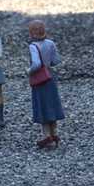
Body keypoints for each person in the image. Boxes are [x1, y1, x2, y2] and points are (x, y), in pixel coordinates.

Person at [26, 19, 65, 149]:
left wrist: (29, 71)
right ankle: (55, 134)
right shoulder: (50, 43)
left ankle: (46, 136)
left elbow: (36, 64)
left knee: (43, 107)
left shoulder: (33, 46)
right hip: (50, 78)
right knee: (52, 106)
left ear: (32, 33)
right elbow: (56, 61)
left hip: (40, 80)